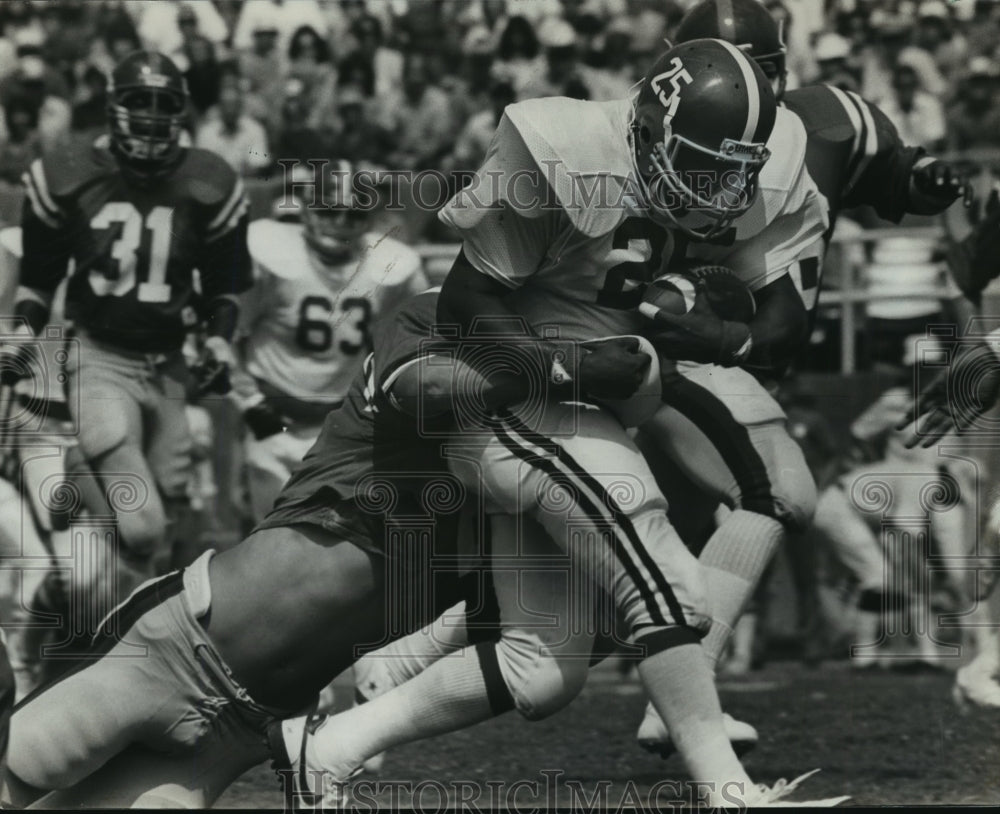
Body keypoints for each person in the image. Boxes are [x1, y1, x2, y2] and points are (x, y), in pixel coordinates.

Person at [282, 39, 846, 809]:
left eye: (733, 169)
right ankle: (729, 790)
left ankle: (327, 748)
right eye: (704, 163)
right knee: (666, 572)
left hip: (585, 399)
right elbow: (465, 306)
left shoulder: (737, 185)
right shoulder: (568, 150)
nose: (721, 187)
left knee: (541, 666)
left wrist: (702, 347)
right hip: (514, 393)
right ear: (650, 128)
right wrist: (569, 369)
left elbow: (775, 331)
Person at [11, 49, 252, 604]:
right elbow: (37, 285)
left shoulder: (209, 178)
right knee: (140, 523)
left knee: (159, 525)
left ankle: (87, 614)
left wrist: (216, 337)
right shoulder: (67, 172)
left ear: (182, 110)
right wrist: (18, 342)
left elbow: (226, 287)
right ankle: (80, 475)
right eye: (138, 99)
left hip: (169, 364)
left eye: (162, 102)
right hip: (97, 355)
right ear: (114, 105)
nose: (149, 113)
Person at [234, 160, 427, 523]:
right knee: (271, 534)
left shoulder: (391, 267)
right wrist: (249, 401)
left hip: (342, 425)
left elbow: (415, 339)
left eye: (353, 214)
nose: (340, 223)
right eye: (329, 210)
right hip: (275, 416)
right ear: (307, 208)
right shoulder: (269, 255)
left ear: (370, 218)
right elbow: (224, 337)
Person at [195, 77, 271, 177]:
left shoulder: (255, 130)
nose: (230, 111)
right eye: (226, 105)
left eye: (233, 105)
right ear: (219, 107)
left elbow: (257, 166)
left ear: (241, 106)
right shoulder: (206, 133)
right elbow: (203, 168)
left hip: (248, 184)